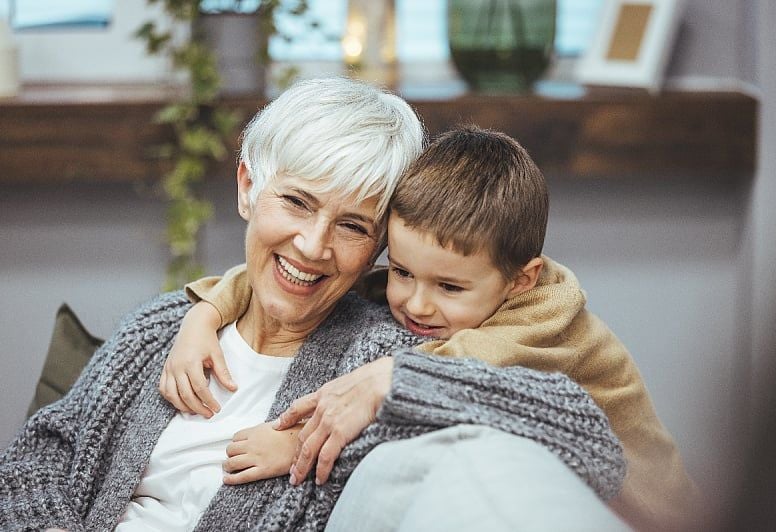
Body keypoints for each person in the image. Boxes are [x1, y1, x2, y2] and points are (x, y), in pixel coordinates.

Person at [0, 79, 625, 531]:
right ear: (249, 188)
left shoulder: (389, 351)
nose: (313, 246)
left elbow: (588, 440)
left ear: (381, 245)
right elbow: (44, 452)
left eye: (353, 226)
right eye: (296, 202)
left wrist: (397, 381)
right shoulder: (164, 327)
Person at [166, 125, 700, 530]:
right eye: (400, 271)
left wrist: (302, 443)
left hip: (637, 511)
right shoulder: (446, 283)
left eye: (448, 288)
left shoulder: (536, 323)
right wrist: (207, 312)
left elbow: (438, 402)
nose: (414, 304)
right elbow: (319, 276)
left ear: (522, 280)